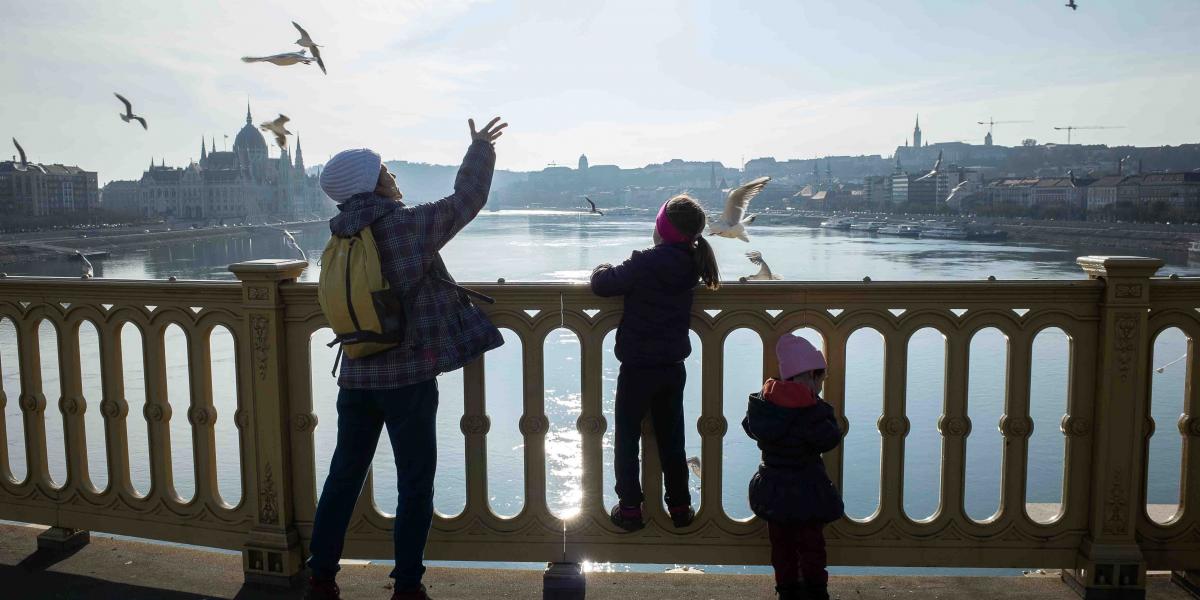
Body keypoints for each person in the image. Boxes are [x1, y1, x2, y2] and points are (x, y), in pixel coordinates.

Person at [305, 117, 508, 600]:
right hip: (409, 374)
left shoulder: (338, 239)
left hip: (355, 373)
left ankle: (320, 574)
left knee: (343, 475)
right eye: (386, 169)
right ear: (372, 181)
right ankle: (408, 584)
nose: (393, 175)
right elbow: (466, 201)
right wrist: (479, 149)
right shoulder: (403, 227)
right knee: (415, 481)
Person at [590, 195, 720, 531]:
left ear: (661, 227)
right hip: (672, 366)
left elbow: (603, 285)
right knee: (672, 440)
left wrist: (602, 266)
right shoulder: (693, 263)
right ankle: (679, 506)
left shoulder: (645, 262)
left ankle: (631, 507)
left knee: (627, 438)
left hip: (637, 367)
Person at [743, 334, 844, 600]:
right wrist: (819, 407)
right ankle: (815, 591)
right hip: (807, 490)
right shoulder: (812, 410)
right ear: (811, 375)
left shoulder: (766, 403)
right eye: (820, 378)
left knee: (782, 546)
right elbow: (829, 438)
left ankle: (787, 591)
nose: (821, 385)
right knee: (811, 546)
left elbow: (749, 426)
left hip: (773, 489)